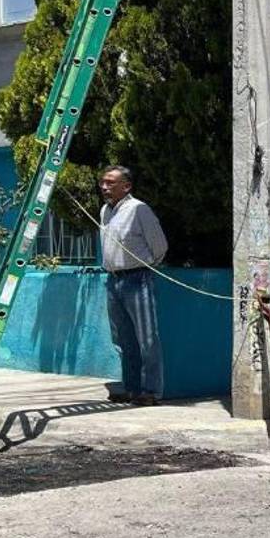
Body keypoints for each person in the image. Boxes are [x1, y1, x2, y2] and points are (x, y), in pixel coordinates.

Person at [99, 166, 168, 405]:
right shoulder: (105, 212)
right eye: (103, 183)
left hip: (137, 279)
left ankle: (151, 391)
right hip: (113, 280)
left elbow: (159, 246)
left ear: (126, 186)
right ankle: (132, 388)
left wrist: (144, 266)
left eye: (110, 183)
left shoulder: (139, 209)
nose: (105, 187)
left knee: (147, 338)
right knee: (123, 338)